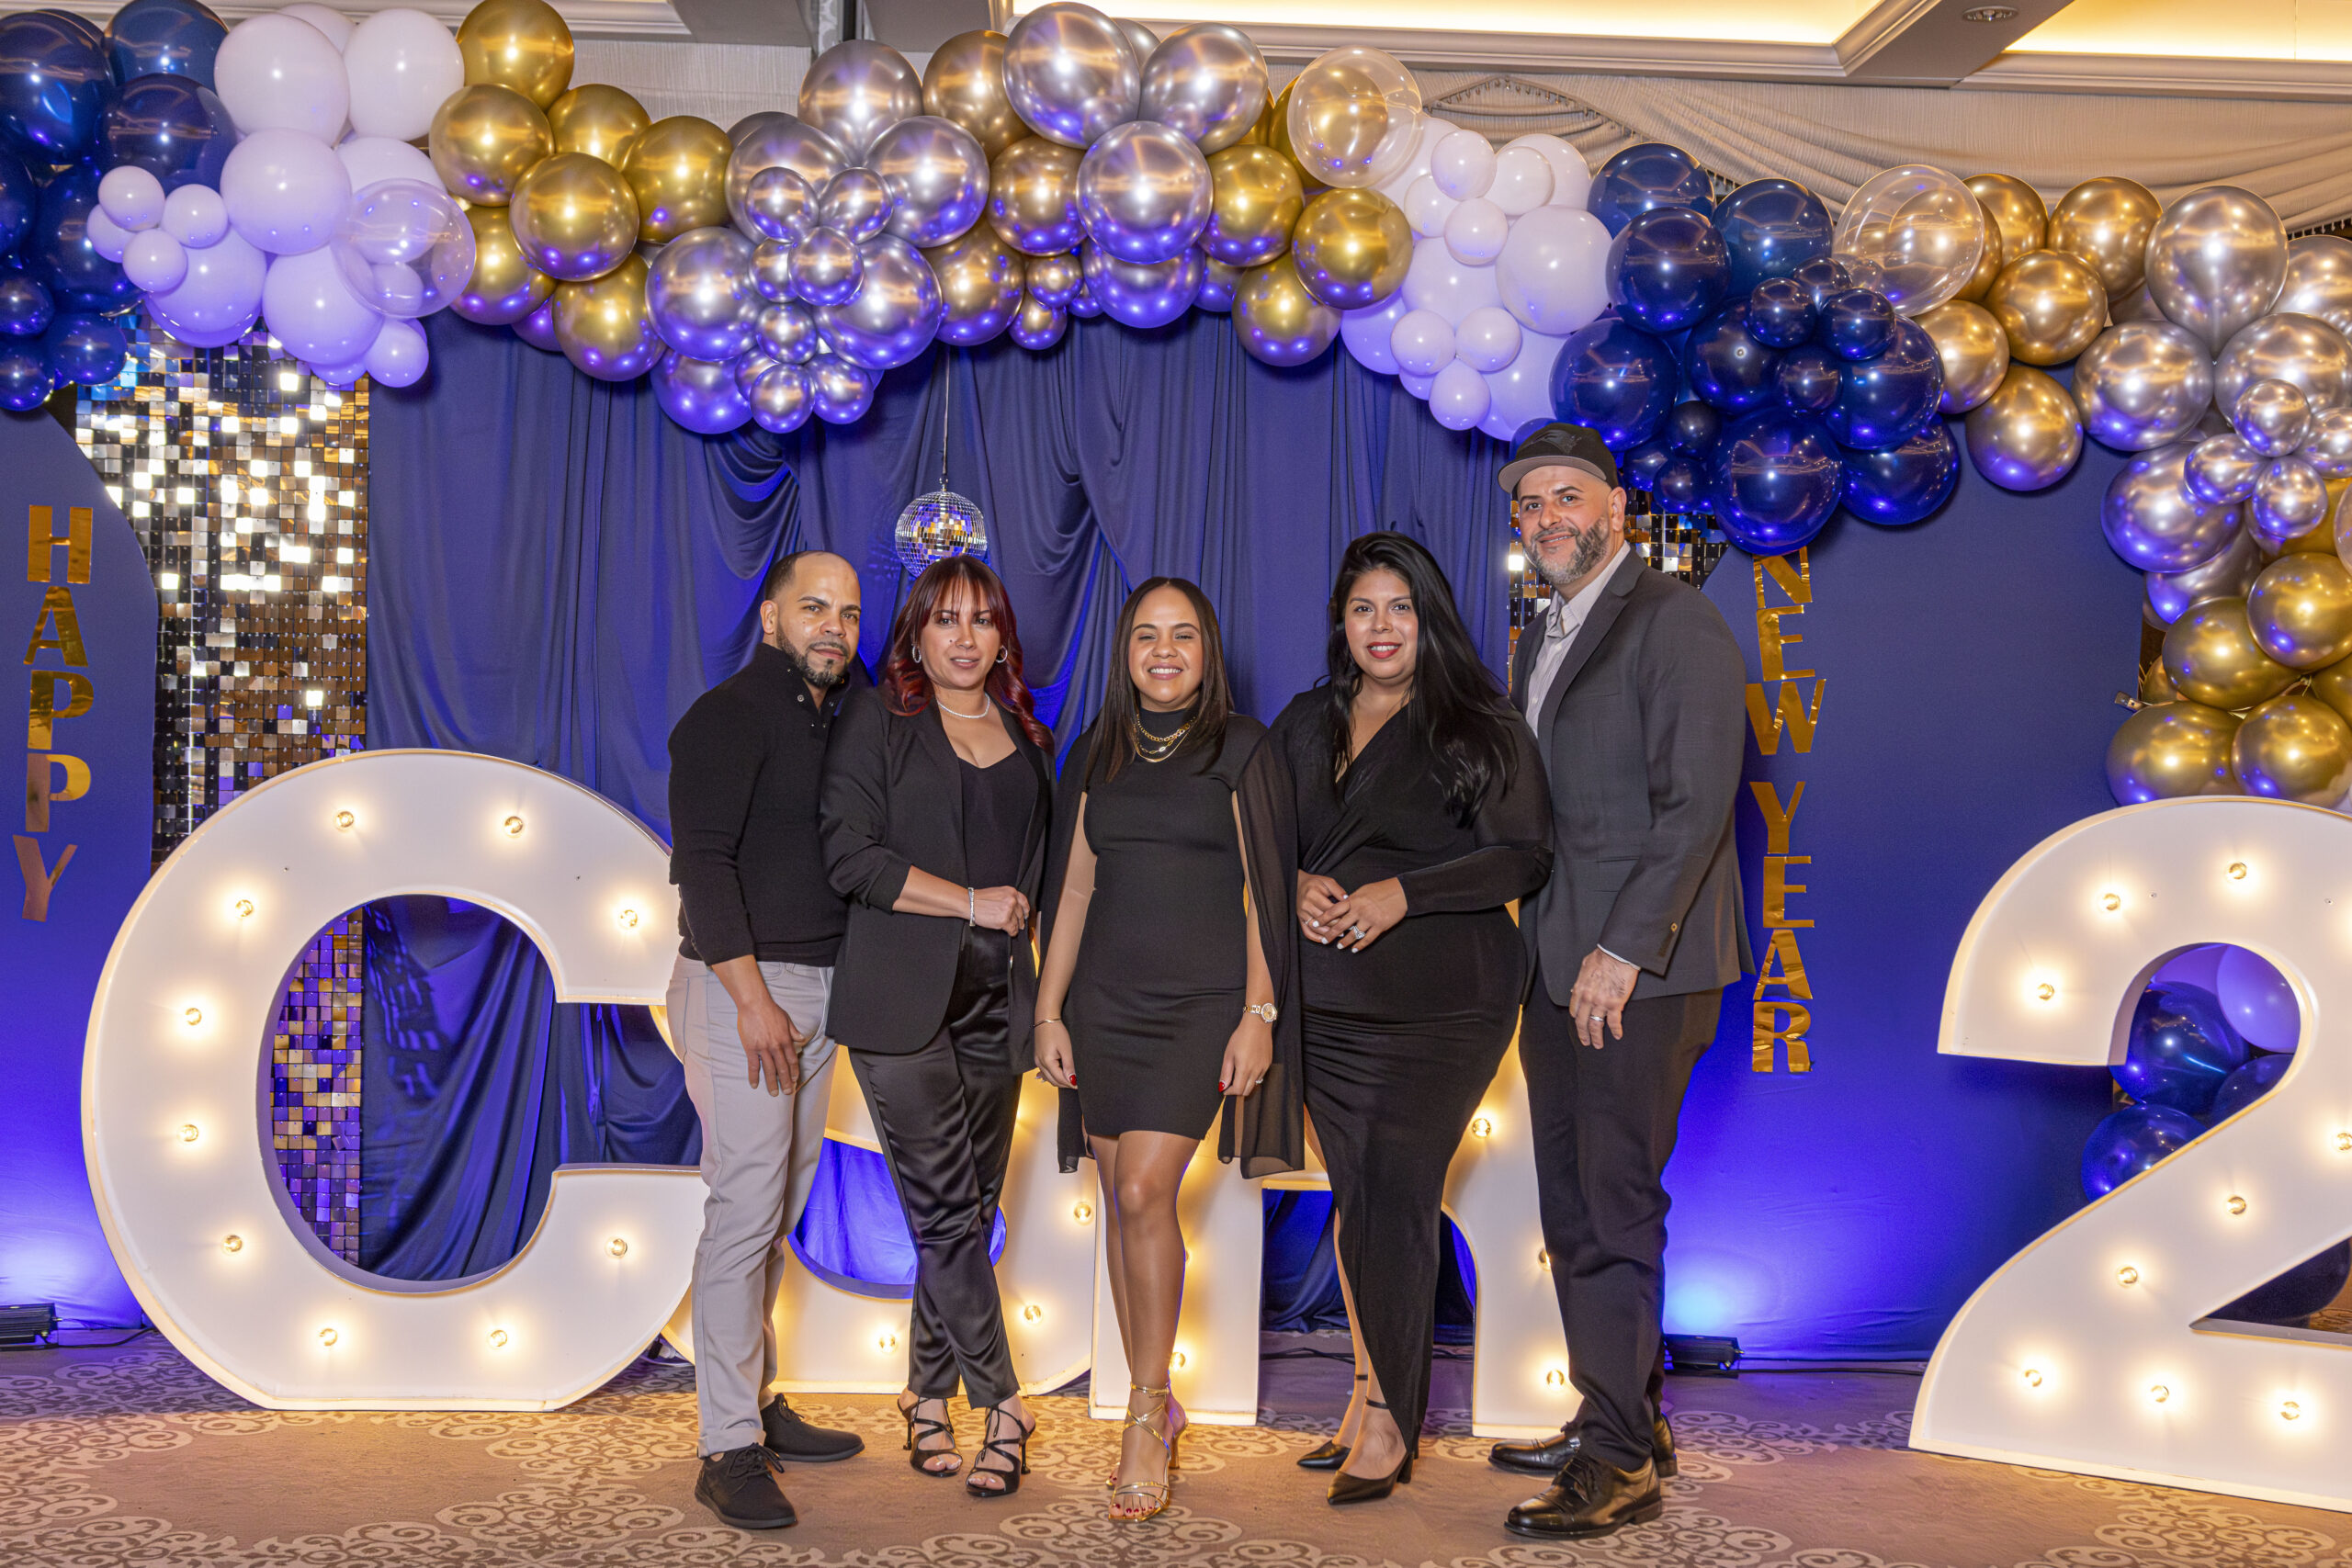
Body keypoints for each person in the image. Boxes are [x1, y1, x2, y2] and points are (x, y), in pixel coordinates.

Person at [1239, 531, 1551, 1506]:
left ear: (1429, 618)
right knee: (1358, 1194)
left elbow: (1523, 857)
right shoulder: (1305, 721)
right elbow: (1256, 836)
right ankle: (1365, 1393)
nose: (1381, 627)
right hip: (1325, 1007)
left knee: (1398, 1193)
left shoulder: (1476, 723)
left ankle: (1391, 1421)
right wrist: (1293, 882)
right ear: (1341, 621)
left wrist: (1401, 895)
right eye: (1363, 608)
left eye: (1400, 608)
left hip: (1441, 1003)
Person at [1484, 423, 1748, 1541]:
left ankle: (1618, 1462)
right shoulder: (1540, 631)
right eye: (1530, 503)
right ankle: (1622, 1413)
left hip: (1636, 970)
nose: (1547, 517)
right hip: (1555, 964)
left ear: (1615, 510)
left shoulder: (1673, 620)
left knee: (1609, 1201)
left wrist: (1622, 951)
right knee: (1572, 1201)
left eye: (1566, 496)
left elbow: (1695, 803)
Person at [1032, 578, 1274, 1523]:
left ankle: (1143, 1411)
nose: (1163, 651)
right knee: (1118, 1200)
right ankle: (1155, 1398)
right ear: (1124, 649)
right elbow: (1074, 891)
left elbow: (1263, 893)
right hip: (1104, 1005)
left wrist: (1257, 1012)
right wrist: (1048, 1011)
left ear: (1207, 650)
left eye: (1182, 635)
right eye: (1145, 635)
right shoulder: (1099, 747)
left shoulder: (1243, 748)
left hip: (1199, 1007)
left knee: (1141, 1190)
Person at [820, 554, 1055, 1501]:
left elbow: (1045, 877)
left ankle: (923, 1395)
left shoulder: (1026, 733)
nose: (964, 637)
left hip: (1000, 1002)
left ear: (1002, 637)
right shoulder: (879, 720)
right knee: (947, 1210)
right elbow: (849, 857)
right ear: (915, 633)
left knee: (963, 1213)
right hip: (898, 1001)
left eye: (981, 620)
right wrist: (970, 901)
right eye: (945, 618)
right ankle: (1004, 1403)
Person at [665, 549, 871, 1532]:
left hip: (823, 990)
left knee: (780, 1203)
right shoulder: (727, 716)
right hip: (744, 988)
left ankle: (755, 1399)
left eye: (850, 612)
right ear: (771, 619)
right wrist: (750, 1000)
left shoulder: (848, 716)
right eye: (814, 607)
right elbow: (703, 866)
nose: (834, 626)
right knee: (745, 1207)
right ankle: (726, 1446)